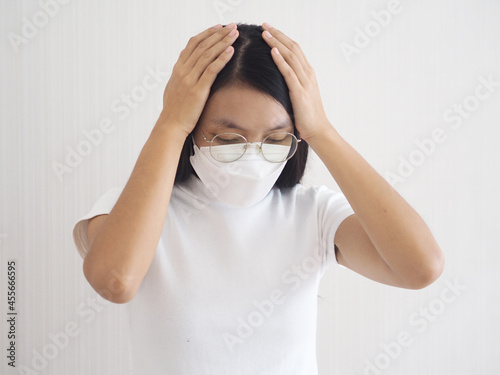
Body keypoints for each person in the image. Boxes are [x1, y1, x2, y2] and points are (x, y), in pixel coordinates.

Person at [72, 22, 445, 374]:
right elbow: (115, 280)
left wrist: (322, 131)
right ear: (192, 130)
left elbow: (420, 267)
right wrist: (170, 122)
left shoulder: (313, 212)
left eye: (276, 139)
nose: (253, 157)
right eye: (229, 140)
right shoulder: (134, 210)